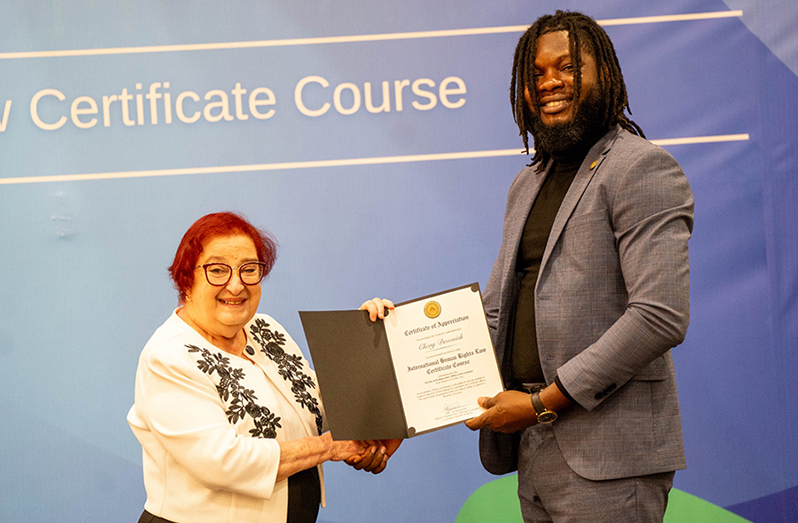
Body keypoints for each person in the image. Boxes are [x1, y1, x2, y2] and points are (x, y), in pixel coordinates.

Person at [465, 10, 694, 522]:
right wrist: (405, 356)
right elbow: (499, 312)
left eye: (566, 67)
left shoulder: (641, 167)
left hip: (611, 456)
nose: (549, 83)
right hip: (532, 446)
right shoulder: (527, 183)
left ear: (603, 75)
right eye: (536, 73)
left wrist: (545, 402)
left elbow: (660, 314)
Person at [127, 212, 399, 523]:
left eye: (249, 270)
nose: (235, 285)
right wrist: (328, 448)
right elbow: (223, 462)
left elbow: (318, 409)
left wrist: (367, 345)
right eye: (217, 270)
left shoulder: (266, 329)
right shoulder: (169, 356)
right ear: (186, 278)